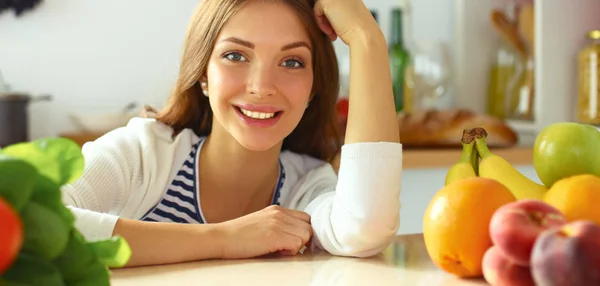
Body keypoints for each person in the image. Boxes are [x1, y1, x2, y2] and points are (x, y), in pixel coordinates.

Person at [61, 0, 403, 267]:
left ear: (313, 88)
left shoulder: (306, 186)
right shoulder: (142, 154)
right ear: (203, 75)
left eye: (292, 62)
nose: (261, 87)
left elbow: (364, 230)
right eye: (235, 55)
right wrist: (224, 239)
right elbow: (35, 221)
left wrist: (365, 37)